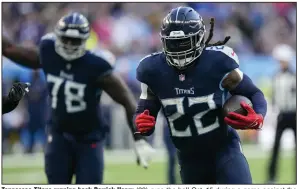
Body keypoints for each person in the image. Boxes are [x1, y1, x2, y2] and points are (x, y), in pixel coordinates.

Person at [7, 12, 154, 184]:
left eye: (74, 40)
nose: (69, 45)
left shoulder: (96, 66)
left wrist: (140, 140)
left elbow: (127, 100)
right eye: (66, 39)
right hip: (59, 136)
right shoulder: (49, 52)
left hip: (89, 138)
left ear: (85, 40)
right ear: (58, 37)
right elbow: (9, 49)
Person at [134, 7, 267, 184]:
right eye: (173, 43)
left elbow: (254, 93)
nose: (178, 50)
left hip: (224, 150)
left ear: (199, 39)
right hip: (189, 158)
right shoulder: (152, 70)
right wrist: (141, 124)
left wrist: (258, 116)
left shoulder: (218, 63)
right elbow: (144, 110)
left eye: (184, 42)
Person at [267, 44, 296, 184]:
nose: (281, 63)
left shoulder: (294, 77)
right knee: (275, 147)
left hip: (294, 115)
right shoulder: (276, 77)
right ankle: (271, 177)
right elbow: (274, 97)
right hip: (282, 115)